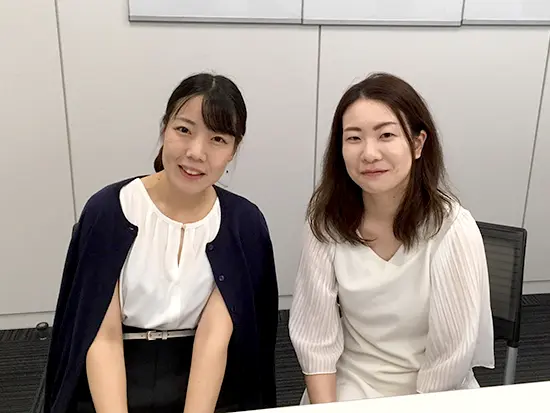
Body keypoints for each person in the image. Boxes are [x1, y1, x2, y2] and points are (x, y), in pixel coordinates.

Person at [44, 73, 279, 413]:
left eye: (217, 139)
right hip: (115, 371)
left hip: (206, 380)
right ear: (164, 128)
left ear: (233, 150)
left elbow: (214, 341)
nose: (196, 152)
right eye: (184, 130)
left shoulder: (243, 224)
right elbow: (102, 337)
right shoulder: (110, 211)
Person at [288, 72, 494, 404]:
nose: (369, 153)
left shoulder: (452, 229)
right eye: (354, 138)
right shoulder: (326, 222)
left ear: (417, 144)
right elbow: (315, 340)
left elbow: (450, 358)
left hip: (432, 393)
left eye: (386, 135)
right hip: (351, 384)